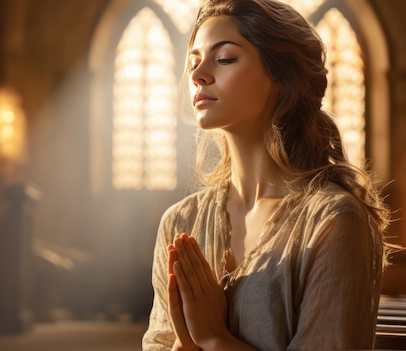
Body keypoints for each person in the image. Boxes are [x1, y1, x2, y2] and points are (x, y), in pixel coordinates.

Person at [141, 0, 392, 350]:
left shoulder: (333, 221)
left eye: (225, 58)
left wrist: (214, 339)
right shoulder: (181, 221)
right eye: (193, 61)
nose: (198, 74)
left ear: (280, 75)